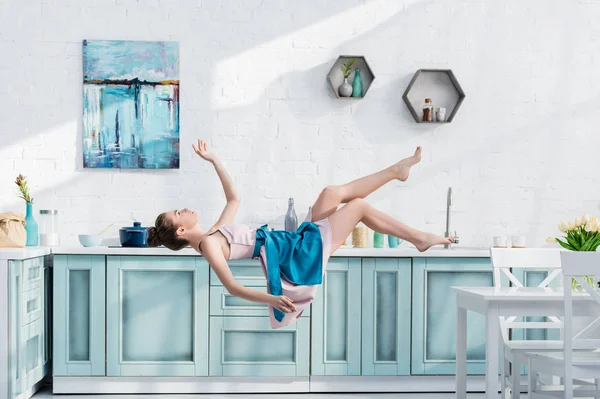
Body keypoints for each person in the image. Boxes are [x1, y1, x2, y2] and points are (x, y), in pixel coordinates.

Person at [148, 139, 453, 328]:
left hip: (291, 243)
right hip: (297, 254)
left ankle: (396, 171)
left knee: (331, 193)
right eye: (178, 213)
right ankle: (419, 239)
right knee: (357, 206)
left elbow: (234, 199)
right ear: (182, 229)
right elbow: (233, 287)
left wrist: (214, 160)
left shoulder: (214, 234)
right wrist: (273, 298)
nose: (184, 208)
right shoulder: (210, 247)